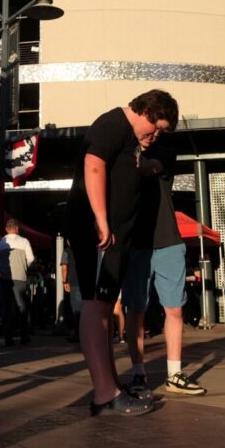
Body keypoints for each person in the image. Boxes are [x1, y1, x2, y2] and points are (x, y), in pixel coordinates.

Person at [65, 90, 178, 416]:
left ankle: (110, 386)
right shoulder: (113, 123)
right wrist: (101, 219)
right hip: (100, 234)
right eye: (155, 128)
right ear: (146, 112)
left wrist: (143, 168)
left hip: (113, 236)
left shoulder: (128, 137)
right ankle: (105, 394)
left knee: (102, 307)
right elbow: (94, 165)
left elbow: (120, 170)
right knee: (96, 306)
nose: (155, 136)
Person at [129, 137, 206, 396]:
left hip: (168, 240)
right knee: (136, 310)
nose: (151, 133)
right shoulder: (124, 150)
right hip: (136, 243)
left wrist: (128, 156)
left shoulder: (164, 152)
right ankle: (138, 373)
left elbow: (148, 168)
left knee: (174, 309)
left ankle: (174, 374)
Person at [0, 219, 35, 346]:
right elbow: (31, 259)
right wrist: (23, 266)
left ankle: (8, 337)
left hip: (4, 278)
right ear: (17, 229)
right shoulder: (24, 241)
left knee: (6, 307)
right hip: (20, 277)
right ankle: (24, 336)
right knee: (22, 307)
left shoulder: (0, 243)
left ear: (6, 229)